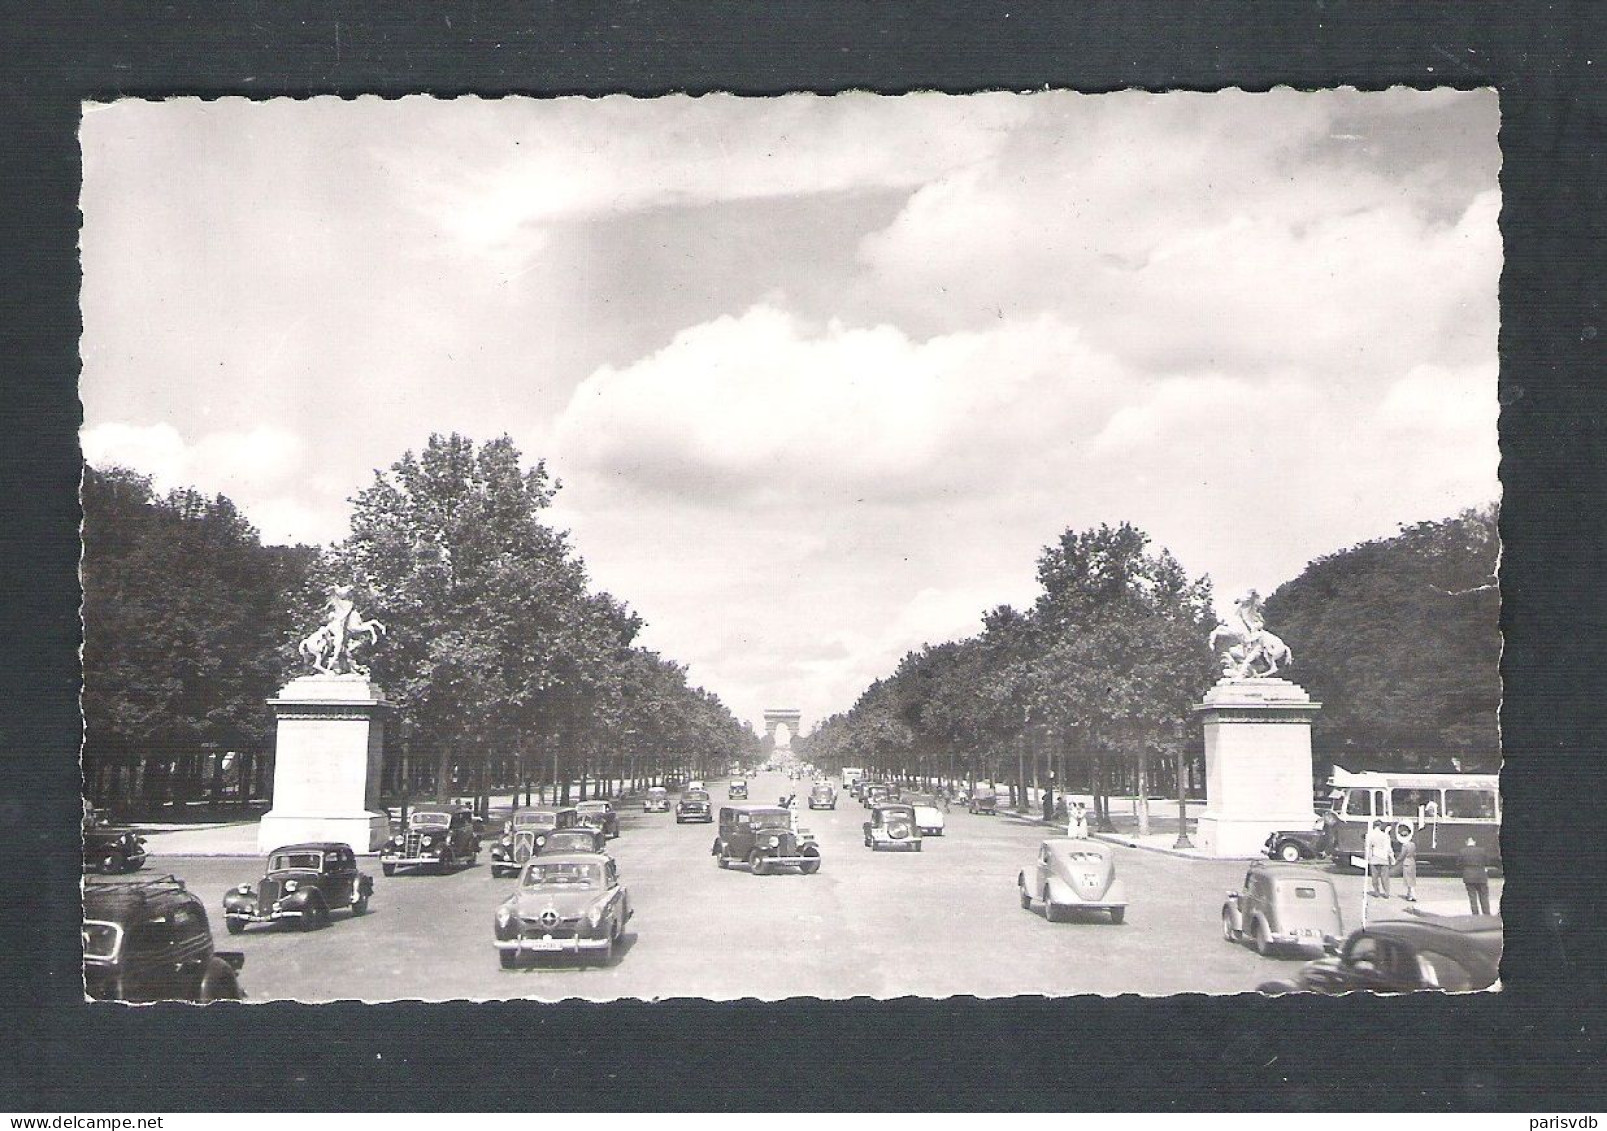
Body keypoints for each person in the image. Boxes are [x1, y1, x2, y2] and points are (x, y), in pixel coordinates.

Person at [1459, 836, 1492, 915]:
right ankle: (1486, 913)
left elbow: (1459, 864)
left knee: (1472, 897)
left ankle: (1475, 914)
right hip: (1481, 876)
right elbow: (1488, 862)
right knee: (1484, 896)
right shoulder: (1482, 850)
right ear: (1474, 842)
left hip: (1468, 876)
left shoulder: (1462, 851)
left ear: (1466, 842)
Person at [1364, 820, 1393, 898]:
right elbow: (1388, 848)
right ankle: (1386, 892)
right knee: (1385, 877)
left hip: (1374, 858)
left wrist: (1367, 858)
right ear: (1380, 826)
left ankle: (1376, 892)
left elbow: (1368, 848)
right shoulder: (1385, 835)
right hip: (1383, 858)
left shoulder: (1369, 835)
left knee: (1374, 876)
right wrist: (1392, 857)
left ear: (1374, 826)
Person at [1399, 826, 1418, 902]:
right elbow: (1415, 854)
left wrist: (1396, 861)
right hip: (1412, 862)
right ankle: (1409, 894)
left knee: (1408, 880)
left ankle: (1412, 895)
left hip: (1406, 862)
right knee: (1412, 879)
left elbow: (1402, 855)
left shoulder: (1405, 845)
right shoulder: (1413, 844)